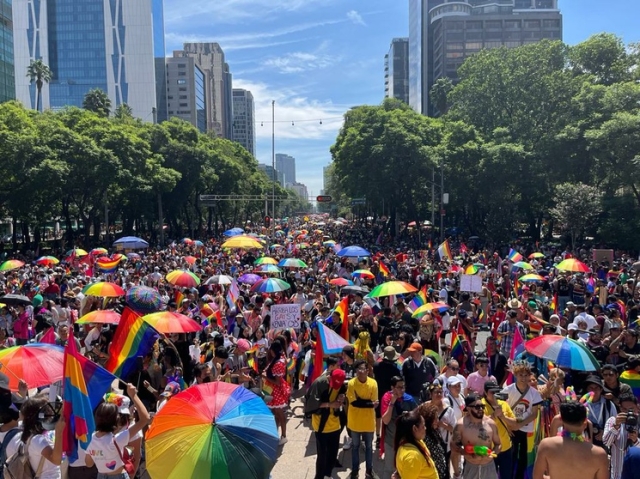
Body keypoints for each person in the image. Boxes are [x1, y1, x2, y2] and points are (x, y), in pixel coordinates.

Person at [85, 383, 150, 479]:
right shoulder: (117, 439)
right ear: (114, 419)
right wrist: (134, 396)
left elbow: (88, 463)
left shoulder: (93, 438)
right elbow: (145, 419)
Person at [532, 401, 609, 479]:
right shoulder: (599, 454)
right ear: (585, 423)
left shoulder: (546, 445)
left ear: (561, 420)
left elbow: (537, 477)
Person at [501, 361, 543, 479]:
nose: (523, 378)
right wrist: (509, 425)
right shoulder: (507, 390)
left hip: (526, 429)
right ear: (515, 375)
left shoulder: (534, 394)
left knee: (524, 456)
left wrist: (519, 425)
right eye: (520, 375)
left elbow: (534, 414)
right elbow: (502, 409)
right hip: (510, 428)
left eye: (526, 375)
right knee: (510, 455)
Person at [451, 393, 501, 479]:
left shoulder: (491, 424)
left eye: (482, 406)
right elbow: (453, 447)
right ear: (468, 408)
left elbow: (498, 444)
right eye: (477, 407)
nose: (481, 409)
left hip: (489, 467)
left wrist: (493, 453)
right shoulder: (461, 426)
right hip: (471, 467)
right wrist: (466, 453)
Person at [309, 369, 347, 479]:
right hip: (321, 425)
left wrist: (341, 397)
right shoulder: (318, 384)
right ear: (329, 376)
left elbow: (343, 394)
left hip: (335, 424)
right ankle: (319, 476)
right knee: (322, 455)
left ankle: (327, 475)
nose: (336, 386)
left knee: (333, 453)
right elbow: (312, 404)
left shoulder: (341, 384)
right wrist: (330, 404)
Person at [20, 395, 66, 479]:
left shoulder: (32, 435)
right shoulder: (37, 440)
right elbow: (56, 460)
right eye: (46, 411)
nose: (50, 413)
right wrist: (59, 432)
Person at [346, 359, 379, 479]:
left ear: (367, 370)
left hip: (369, 421)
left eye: (363, 369)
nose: (360, 371)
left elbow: (375, 402)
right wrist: (369, 403)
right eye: (358, 369)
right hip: (354, 421)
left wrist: (361, 401)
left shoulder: (373, 383)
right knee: (355, 446)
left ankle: (369, 470)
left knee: (369, 447)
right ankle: (355, 471)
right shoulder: (351, 384)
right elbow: (354, 403)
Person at [483, 380, 518, 479]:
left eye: (496, 392)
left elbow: (514, 422)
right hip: (491, 449)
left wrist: (503, 416)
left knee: (507, 476)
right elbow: (481, 425)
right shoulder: (481, 405)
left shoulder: (503, 404)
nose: (494, 395)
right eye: (492, 392)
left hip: (506, 447)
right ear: (485, 392)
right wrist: (494, 415)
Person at [380, 376, 417, 471]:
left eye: (403, 387)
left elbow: (417, 417)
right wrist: (392, 403)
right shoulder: (386, 398)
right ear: (392, 388)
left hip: (406, 441)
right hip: (391, 441)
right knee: (390, 469)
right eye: (399, 387)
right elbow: (385, 420)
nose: (402, 390)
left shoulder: (409, 399)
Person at [603, 392, 640, 479]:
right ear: (620, 408)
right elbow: (606, 442)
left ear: (637, 407)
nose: (628, 412)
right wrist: (616, 426)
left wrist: (636, 441)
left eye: (631, 409)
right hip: (617, 473)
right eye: (624, 409)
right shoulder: (612, 421)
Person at [393, 410, 439, 479]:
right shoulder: (413, 456)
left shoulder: (417, 442)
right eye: (423, 426)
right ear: (414, 428)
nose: (425, 428)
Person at [264, 341, 290, 446]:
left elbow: (277, 382)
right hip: (273, 390)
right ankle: (277, 434)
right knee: (276, 414)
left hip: (276, 391)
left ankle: (283, 436)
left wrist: (264, 377)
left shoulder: (278, 363)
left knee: (280, 414)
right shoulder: (279, 359)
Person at [417, 402, 451, 479]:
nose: (437, 420)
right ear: (428, 420)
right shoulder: (423, 437)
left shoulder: (435, 431)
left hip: (442, 473)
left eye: (437, 417)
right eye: (434, 418)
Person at [583, 374, 617, 448]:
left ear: (601, 390)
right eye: (591, 388)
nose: (594, 390)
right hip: (585, 440)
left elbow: (615, 422)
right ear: (587, 389)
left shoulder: (609, 404)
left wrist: (605, 432)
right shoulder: (581, 404)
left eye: (596, 388)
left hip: (604, 441)